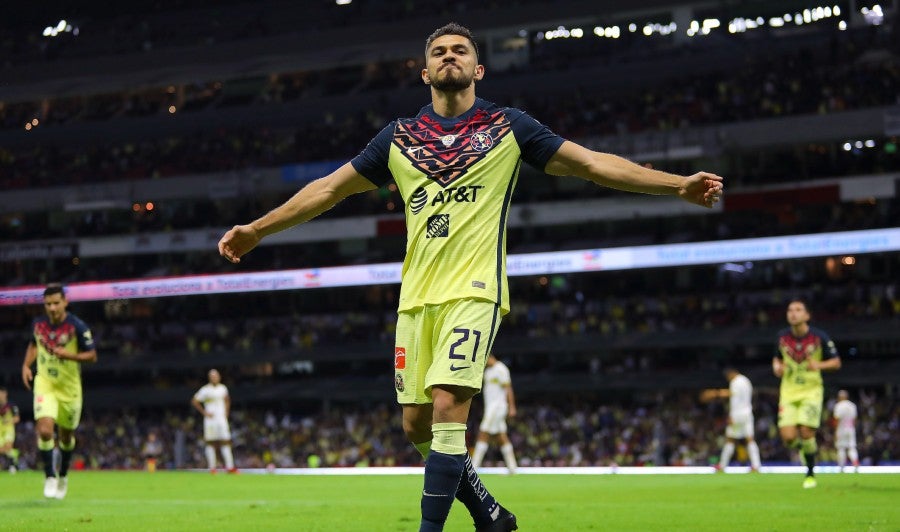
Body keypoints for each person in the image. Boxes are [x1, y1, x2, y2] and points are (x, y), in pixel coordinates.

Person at [218, 22, 723, 531]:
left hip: (476, 291)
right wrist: (259, 229)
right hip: (416, 298)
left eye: (460, 51)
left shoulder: (509, 126)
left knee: (446, 407)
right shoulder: (399, 138)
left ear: (478, 69)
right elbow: (328, 189)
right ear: (425, 72)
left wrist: (676, 184)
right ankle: (487, 511)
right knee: (415, 424)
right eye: (439, 52)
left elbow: (591, 163)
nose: (449, 57)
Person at [21, 283, 98, 499]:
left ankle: (63, 475)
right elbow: (33, 345)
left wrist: (68, 355)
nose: (52, 308)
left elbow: (92, 355)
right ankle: (49, 476)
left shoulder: (77, 326)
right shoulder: (38, 325)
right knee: (45, 430)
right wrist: (26, 365)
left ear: (65, 302)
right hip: (46, 382)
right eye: (48, 304)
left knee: (65, 436)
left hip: (70, 388)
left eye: (56, 303)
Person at [772, 299, 841, 489]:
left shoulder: (819, 337)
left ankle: (810, 472)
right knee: (788, 438)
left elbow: (836, 362)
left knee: (806, 431)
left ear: (807, 315)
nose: (793, 313)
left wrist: (818, 365)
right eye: (790, 310)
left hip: (811, 391)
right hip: (788, 392)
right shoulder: (781, 337)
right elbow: (776, 358)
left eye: (798, 310)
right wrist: (777, 367)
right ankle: (807, 449)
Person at [701, 367, 761, 472]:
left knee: (730, 439)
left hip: (737, 414)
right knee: (750, 439)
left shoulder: (736, 382)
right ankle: (756, 465)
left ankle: (722, 466)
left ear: (731, 374)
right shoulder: (746, 381)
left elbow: (732, 393)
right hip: (747, 413)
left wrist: (714, 393)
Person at [471, 354, 517, 474]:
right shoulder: (488, 371)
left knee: (483, 433)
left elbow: (508, 388)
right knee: (501, 436)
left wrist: (511, 406)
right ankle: (513, 468)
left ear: (490, 357)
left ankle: (473, 467)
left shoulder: (501, 369)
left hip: (497, 407)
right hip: (490, 407)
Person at [191, 369, 237, 473]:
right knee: (210, 443)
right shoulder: (205, 389)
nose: (214, 378)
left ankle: (230, 467)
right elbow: (194, 401)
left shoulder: (223, 388)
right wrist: (204, 413)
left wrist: (226, 412)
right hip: (210, 420)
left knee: (225, 441)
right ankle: (212, 468)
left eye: (216, 376)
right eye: (212, 376)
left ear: (219, 377)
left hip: (221, 418)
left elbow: (227, 399)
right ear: (209, 378)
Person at [832, 389, 859, 471]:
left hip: (841, 429)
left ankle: (841, 467)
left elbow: (837, 419)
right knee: (852, 447)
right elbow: (854, 420)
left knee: (841, 448)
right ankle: (855, 464)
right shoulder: (852, 405)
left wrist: (836, 431)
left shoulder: (838, 406)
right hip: (851, 428)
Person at [0, 386, 21, 473]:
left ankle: (12, 465)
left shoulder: (12, 405)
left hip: (9, 430)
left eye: (1, 393)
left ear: (5, 394)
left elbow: (17, 418)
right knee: (2, 449)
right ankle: (15, 455)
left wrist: (9, 421)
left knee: (8, 447)